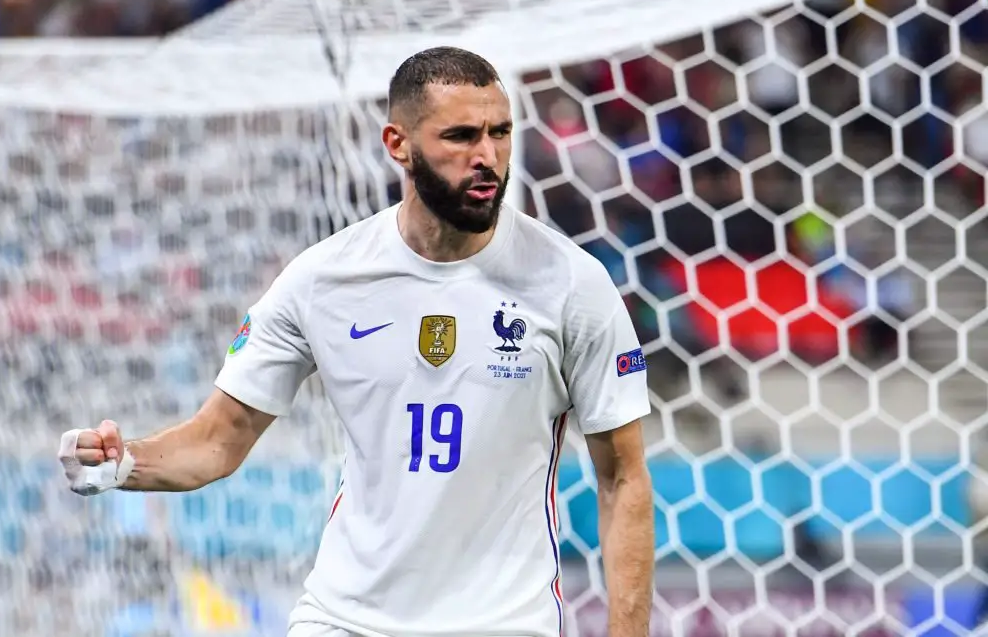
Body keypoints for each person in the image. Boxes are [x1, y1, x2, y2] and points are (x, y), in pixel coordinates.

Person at [57, 46, 656, 637]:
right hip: (345, 619)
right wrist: (121, 463)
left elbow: (623, 478)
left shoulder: (571, 284)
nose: (487, 157)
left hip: (502, 624)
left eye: (500, 133)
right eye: (460, 136)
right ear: (398, 144)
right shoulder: (323, 279)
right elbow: (217, 441)